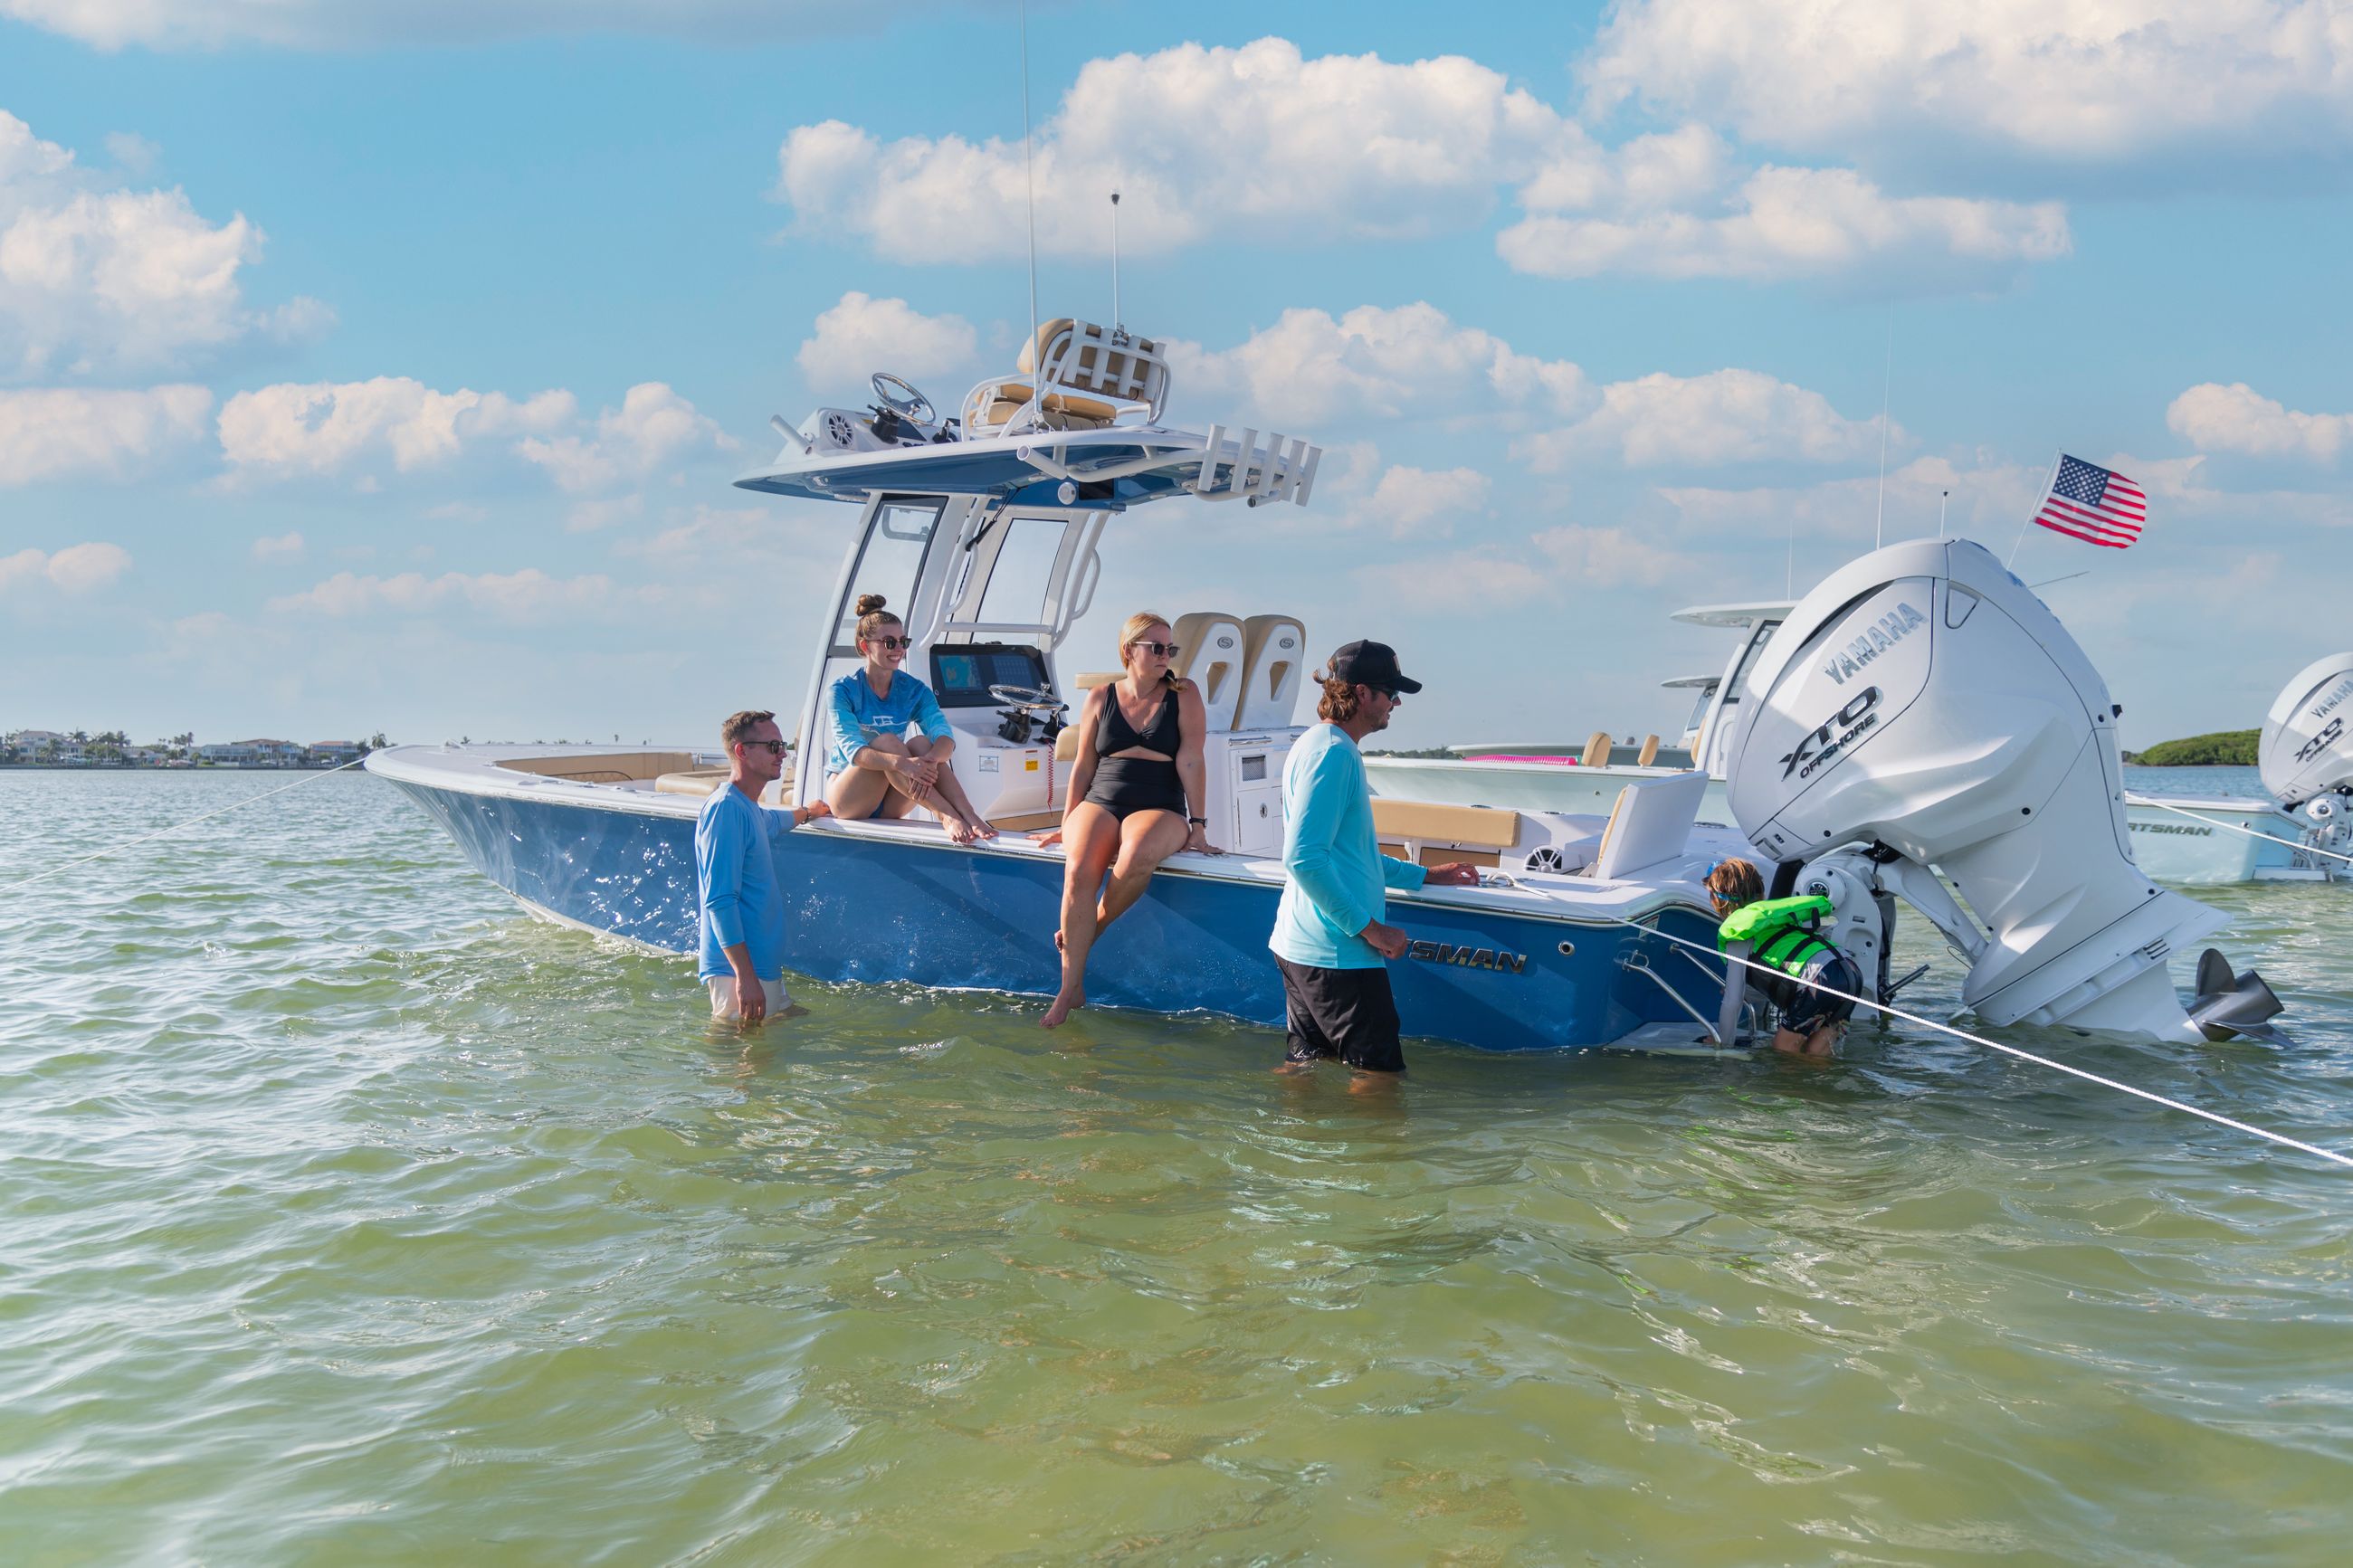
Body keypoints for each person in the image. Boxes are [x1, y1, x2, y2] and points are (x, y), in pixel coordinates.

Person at [1270, 641, 1478, 1082]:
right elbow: (1303, 858)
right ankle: (1374, 1155)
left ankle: (1291, 1150)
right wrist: (1372, 928)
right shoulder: (1334, 753)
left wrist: (1426, 875)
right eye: (1390, 692)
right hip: (1338, 955)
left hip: (1304, 947)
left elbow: (1350, 855)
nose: (1396, 702)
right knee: (1379, 1080)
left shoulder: (1319, 743)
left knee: (1306, 1071)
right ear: (1362, 694)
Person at [1039, 612, 1218, 1029]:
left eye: (1169, 648)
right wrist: (1067, 821)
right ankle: (1070, 989)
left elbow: (1191, 759)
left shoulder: (1184, 693)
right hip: (1102, 797)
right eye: (1156, 647)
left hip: (1160, 802)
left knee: (1136, 855)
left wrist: (1199, 825)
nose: (1165, 656)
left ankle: (1087, 937)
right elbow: (1083, 765)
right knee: (1079, 869)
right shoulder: (1101, 696)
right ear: (1128, 651)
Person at [822, 594, 996, 845]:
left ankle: (968, 814)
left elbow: (945, 737)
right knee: (889, 742)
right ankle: (945, 815)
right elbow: (856, 753)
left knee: (923, 744)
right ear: (865, 647)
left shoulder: (914, 689)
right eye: (889, 642)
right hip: (850, 798)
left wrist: (929, 761)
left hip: (897, 795)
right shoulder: (843, 690)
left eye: (903, 642)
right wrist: (903, 764)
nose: (899, 650)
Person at [698, 708, 830, 1026]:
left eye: (783, 746)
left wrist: (808, 812)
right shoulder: (726, 810)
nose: (783, 754)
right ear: (742, 751)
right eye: (773, 746)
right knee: (744, 1063)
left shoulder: (748, 808)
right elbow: (719, 900)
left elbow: (773, 821)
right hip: (740, 972)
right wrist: (745, 977)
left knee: (773, 1048)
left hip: (761, 967)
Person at [1704, 857, 1863, 1058]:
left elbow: (1732, 1001)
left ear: (1717, 900)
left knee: (1784, 1052)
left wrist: (1722, 1045)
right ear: (1760, 892)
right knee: (1815, 1054)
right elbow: (1777, 971)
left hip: (1818, 981)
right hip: (1849, 973)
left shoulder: (1738, 931)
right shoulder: (1776, 916)